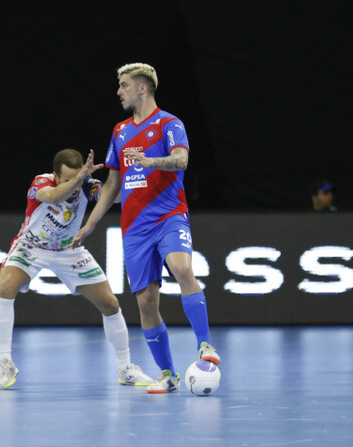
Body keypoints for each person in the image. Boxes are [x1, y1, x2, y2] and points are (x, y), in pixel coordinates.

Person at [73, 63, 220, 394]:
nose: (119, 91)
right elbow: (112, 184)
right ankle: (167, 374)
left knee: (182, 268)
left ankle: (206, 346)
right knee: (145, 304)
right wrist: (90, 223)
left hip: (169, 215)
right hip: (134, 227)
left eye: (124, 85)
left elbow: (181, 160)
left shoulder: (170, 124)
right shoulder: (120, 131)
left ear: (142, 88)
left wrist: (150, 161)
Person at [0, 148, 154, 389]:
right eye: (68, 179)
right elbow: (53, 197)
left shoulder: (87, 185)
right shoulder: (42, 182)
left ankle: (126, 368)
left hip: (69, 251)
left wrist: (136, 175)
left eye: (78, 177)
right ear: (56, 176)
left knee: (110, 304)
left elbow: (114, 196)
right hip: (31, 246)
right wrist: (79, 179)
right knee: (5, 288)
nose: (76, 185)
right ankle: (5, 362)